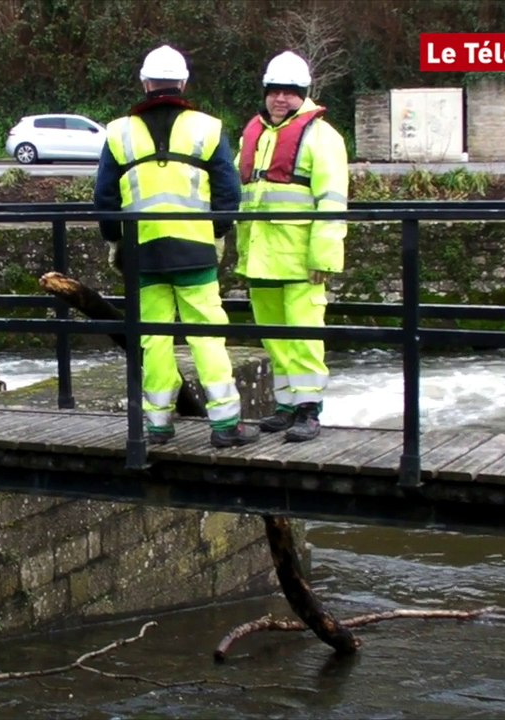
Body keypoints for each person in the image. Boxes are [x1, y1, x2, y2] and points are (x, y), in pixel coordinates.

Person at [93, 44, 256, 449]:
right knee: (207, 335)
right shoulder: (209, 128)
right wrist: (215, 232)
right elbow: (227, 191)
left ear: (145, 83)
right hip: (194, 250)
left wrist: (116, 240)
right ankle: (225, 425)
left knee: (153, 338)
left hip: (143, 253)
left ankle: (158, 425)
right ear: (183, 83)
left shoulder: (118, 132)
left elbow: (105, 199)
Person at [233, 50, 349, 443]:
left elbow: (332, 202)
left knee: (303, 334)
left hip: (301, 260)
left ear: (304, 94)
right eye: (274, 91)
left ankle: (309, 408)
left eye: (290, 92)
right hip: (260, 257)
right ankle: (285, 405)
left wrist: (324, 257)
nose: (280, 98)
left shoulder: (323, 137)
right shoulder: (255, 134)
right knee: (273, 335)